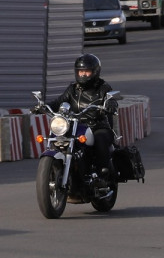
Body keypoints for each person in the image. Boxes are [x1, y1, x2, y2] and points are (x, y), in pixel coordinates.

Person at [39, 54, 118, 190]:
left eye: (87, 71)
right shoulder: (72, 89)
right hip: (75, 125)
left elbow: (111, 100)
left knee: (100, 138)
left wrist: (110, 104)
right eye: (81, 71)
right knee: (59, 138)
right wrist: (43, 107)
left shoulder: (103, 88)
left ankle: (102, 173)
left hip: (97, 125)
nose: (83, 75)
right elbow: (59, 101)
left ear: (95, 72)